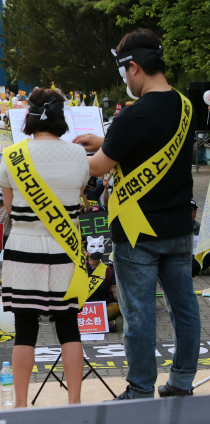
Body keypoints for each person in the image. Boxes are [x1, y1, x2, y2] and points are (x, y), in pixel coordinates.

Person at [74, 29, 200, 400]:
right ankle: (181, 381)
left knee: (140, 315)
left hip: (136, 231)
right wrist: (107, 142)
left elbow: (97, 168)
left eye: (124, 73)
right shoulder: (186, 106)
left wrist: (67, 155)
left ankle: (141, 388)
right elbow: (150, 145)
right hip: (178, 227)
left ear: (135, 67)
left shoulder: (134, 115)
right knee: (185, 309)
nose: (126, 81)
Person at [0, 88, 88, 407]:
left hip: (24, 249)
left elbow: (11, 210)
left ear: (30, 117)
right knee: (69, 327)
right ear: (61, 117)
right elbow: (79, 197)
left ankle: (21, 406)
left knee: (25, 330)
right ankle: (74, 403)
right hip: (66, 248)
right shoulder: (80, 155)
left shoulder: (12, 155)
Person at [84, 236, 121, 331]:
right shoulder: (79, 269)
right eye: (92, 247)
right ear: (86, 251)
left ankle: (98, 323)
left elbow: (116, 294)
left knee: (117, 307)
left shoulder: (108, 271)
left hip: (102, 310)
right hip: (82, 310)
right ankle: (105, 324)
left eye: (100, 246)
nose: (97, 249)